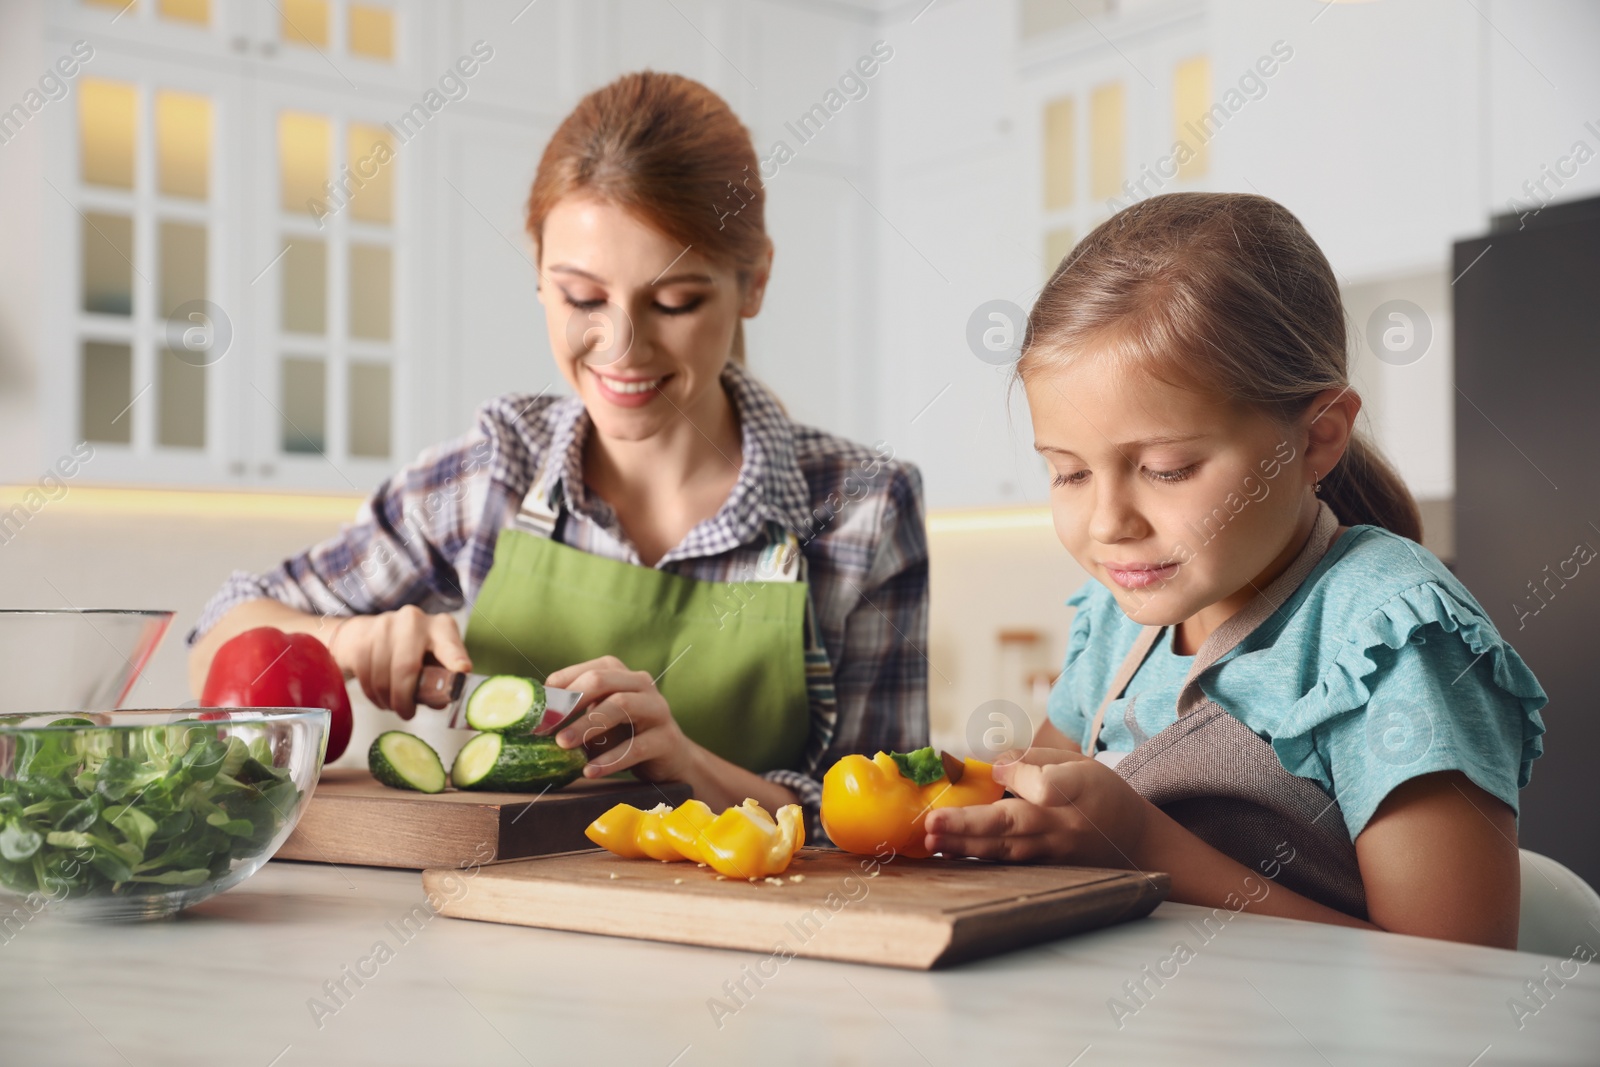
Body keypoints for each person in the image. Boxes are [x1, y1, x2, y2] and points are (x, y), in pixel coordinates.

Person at [186, 72, 929, 840]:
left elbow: (892, 829)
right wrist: (343, 639)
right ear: (539, 274)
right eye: (581, 297)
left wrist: (687, 767)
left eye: (674, 302)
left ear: (755, 280)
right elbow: (214, 636)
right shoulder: (492, 473)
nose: (622, 347)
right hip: (500, 934)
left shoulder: (861, 508)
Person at [925, 192, 1547, 948]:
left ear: (1318, 438)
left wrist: (1145, 848)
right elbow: (1050, 807)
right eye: (1068, 473)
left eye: (1167, 468)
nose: (1108, 523)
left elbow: (1460, 977)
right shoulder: (1120, 615)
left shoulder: (1392, 640)